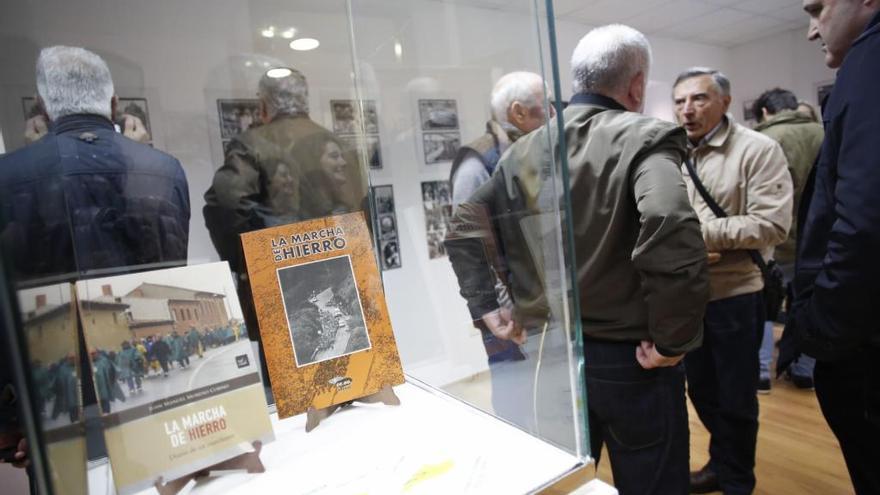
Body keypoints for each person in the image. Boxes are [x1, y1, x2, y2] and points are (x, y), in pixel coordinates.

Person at [446, 25, 710, 494]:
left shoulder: (524, 150)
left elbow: (463, 224)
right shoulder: (645, 137)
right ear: (635, 85)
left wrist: (487, 307)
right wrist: (674, 341)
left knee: (564, 485)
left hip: (551, 359)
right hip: (634, 362)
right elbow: (668, 220)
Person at [672, 67, 793, 494]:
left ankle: (738, 479)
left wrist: (692, 235)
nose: (688, 109)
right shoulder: (671, 153)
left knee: (737, 399)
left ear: (724, 101)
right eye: (680, 100)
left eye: (699, 98)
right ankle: (722, 464)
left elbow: (772, 224)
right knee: (702, 391)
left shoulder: (758, 149)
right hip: (687, 298)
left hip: (736, 295)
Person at [777, 1, 880, 492]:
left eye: (819, 9)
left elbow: (863, 221)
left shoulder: (869, 61)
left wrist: (821, 329)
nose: (811, 31)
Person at [0, 46, 190, 281]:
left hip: (57, 315)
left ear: (41, 108)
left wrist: (35, 159)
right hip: (148, 308)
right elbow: (171, 258)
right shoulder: (167, 169)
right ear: (114, 105)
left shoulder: (6, 173)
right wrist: (136, 156)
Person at [447, 71, 555, 425]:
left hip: (545, 312)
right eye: (546, 108)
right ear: (519, 113)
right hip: (512, 319)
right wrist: (502, 310)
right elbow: (468, 241)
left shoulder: (537, 151)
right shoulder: (477, 163)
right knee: (519, 408)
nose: (554, 115)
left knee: (553, 405)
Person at [751, 88, 824, 392]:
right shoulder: (823, 134)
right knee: (808, 305)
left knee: (766, 303)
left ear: (766, 112)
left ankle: (761, 371)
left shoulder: (764, 140)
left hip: (778, 240)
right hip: (820, 240)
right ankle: (806, 368)